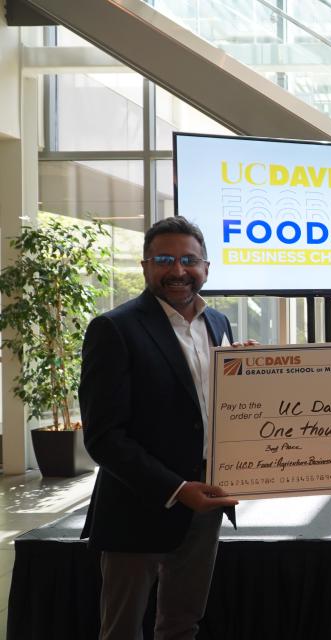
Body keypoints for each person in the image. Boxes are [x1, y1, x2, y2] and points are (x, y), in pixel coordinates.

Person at [80, 217, 242, 640]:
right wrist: (176, 489)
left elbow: (209, 407)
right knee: (121, 630)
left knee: (182, 624)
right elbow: (104, 437)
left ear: (206, 267)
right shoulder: (114, 329)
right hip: (138, 505)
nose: (178, 271)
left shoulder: (219, 324)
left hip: (205, 503)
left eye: (189, 260)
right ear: (145, 266)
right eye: (164, 260)